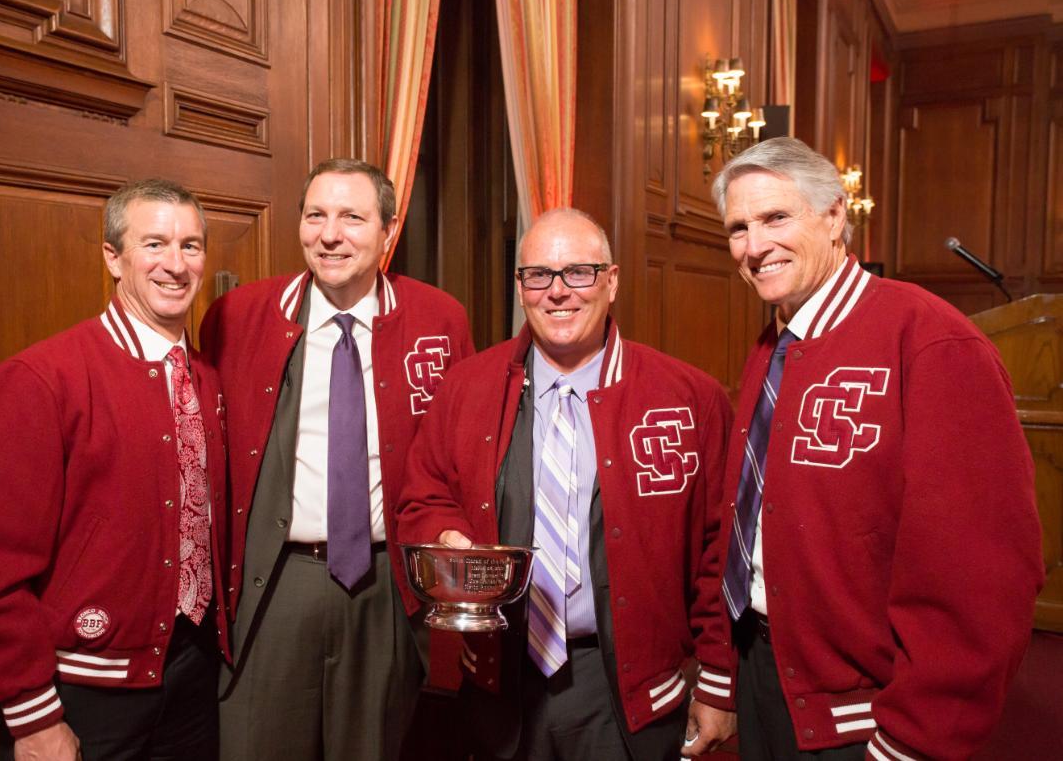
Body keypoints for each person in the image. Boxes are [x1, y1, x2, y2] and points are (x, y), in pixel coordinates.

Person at [711, 137, 1044, 760]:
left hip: (868, 715)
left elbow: (981, 574)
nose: (754, 247)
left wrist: (917, 738)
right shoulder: (773, 345)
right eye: (738, 228)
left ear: (835, 215)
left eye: (776, 218)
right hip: (767, 673)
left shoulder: (931, 340)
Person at [395, 208, 738, 761]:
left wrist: (719, 679)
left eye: (578, 272)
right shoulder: (466, 387)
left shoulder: (688, 398)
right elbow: (424, 496)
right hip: (499, 680)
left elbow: (719, 551)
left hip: (630, 685)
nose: (558, 292)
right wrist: (448, 537)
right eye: (538, 275)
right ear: (520, 287)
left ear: (612, 280)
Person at [0, 179, 229, 761]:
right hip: (81, 693)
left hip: (194, 678)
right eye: (154, 244)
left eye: (191, 246)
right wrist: (32, 718)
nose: (175, 264)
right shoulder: (41, 380)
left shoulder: (207, 378)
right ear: (113, 257)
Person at [202, 158, 474, 761]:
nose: (330, 234)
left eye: (353, 217)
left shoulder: (439, 319)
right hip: (275, 584)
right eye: (316, 215)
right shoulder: (240, 315)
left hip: (384, 587)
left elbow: (459, 454)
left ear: (388, 229)